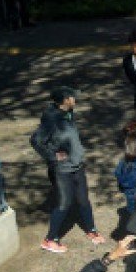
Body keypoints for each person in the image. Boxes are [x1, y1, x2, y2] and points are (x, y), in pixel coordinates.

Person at [31, 85, 99, 253]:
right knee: (64, 203)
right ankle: (50, 240)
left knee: (83, 199)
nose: (75, 99)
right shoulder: (52, 119)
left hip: (77, 165)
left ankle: (91, 230)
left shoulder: (67, 113)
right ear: (65, 100)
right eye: (72, 97)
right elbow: (36, 140)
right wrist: (53, 157)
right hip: (62, 169)